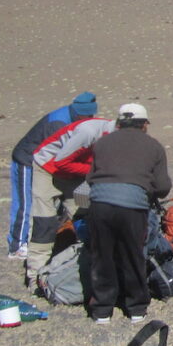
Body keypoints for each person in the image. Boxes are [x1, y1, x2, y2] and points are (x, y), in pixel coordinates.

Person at [86, 104, 171, 324]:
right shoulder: (153, 146)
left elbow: (90, 177)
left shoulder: (102, 143)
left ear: (118, 123)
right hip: (132, 206)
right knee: (133, 254)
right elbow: (162, 186)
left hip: (100, 204)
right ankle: (136, 308)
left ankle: (102, 310)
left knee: (102, 255)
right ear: (144, 125)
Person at [26, 114, 115, 289]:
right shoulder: (89, 132)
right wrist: (96, 170)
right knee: (44, 221)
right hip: (47, 168)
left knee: (81, 216)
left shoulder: (115, 137)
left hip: (75, 172)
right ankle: (35, 276)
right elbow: (62, 162)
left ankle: (75, 267)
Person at [7, 92, 98, 259]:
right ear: (78, 112)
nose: (90, 118)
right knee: (26, 203)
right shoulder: (59, 123)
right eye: (87, 115)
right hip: (28, 160)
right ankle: (18, 245)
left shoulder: (79, 120)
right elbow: (60, 155)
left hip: (50, 163)